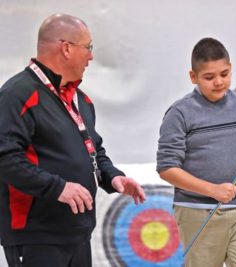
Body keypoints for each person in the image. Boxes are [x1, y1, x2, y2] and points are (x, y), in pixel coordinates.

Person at [0, 13, 146, 267]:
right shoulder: (17, 94)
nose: (91, 56)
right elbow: (5, 159)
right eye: (88, 47)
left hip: (77, 234)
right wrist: (58, 188)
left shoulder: (81, 99)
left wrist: (112, 176)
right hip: (37, 236)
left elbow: (94, 150)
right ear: (66, 48)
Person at [156, 37, 236, 267]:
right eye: (209, 77)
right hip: (196, 211)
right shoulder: (179, 113)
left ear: (230, 69)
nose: (219, 82)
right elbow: (167, 168)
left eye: (224, 74)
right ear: (193, 77)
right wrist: (212, 190)